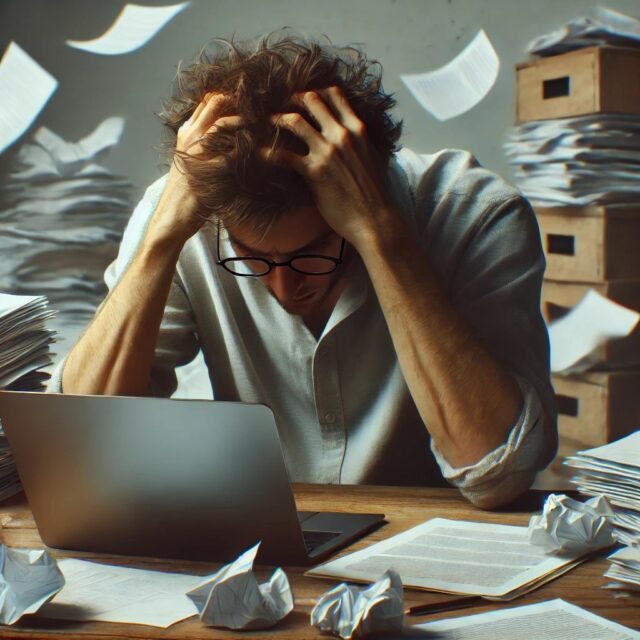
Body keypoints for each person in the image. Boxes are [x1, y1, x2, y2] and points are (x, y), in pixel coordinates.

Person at [51, 32, 557, 508]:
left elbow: (500, 475)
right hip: (258, 544)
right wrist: (159, 241)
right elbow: (79, 449)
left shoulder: (476, 213)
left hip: (433, 549)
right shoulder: (183, 212)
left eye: (313, 252)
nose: (284, 286)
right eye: (251, 258)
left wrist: (382, 237)